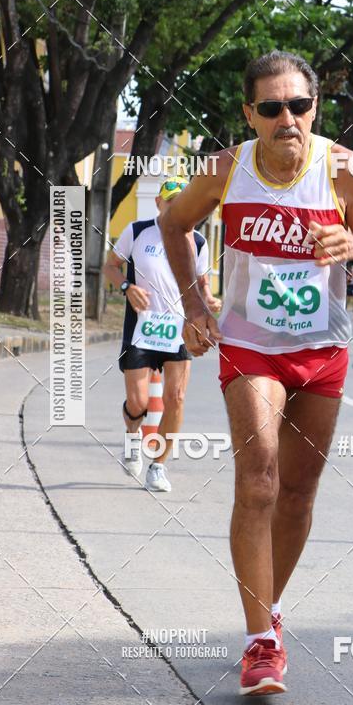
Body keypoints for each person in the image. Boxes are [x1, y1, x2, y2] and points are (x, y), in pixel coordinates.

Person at [159, 51, 353, 695]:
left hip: (323, 348)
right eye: (271, 108)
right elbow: (174, 222)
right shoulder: (226, 170)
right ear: (250, 114)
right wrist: (194, 302)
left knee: (298, 492)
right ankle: (261, 644)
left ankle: (266, 609)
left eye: (298, 105)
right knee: (261, 474)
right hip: (250, 346)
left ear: (314, 108)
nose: (286, 119)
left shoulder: (342, 169)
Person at [104, 176, 218, 492]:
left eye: (182, 203)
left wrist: (209, 301)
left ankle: (158, 466)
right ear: (159, 203)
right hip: (141, 329)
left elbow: (203, 285)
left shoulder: (197, 242)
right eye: (171, 202)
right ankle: (131, 435)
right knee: (138, 403)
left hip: (179, 330)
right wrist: (127, 287)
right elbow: (110, 267)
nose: (176, 209)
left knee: (176, 398)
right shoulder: (138, 232)